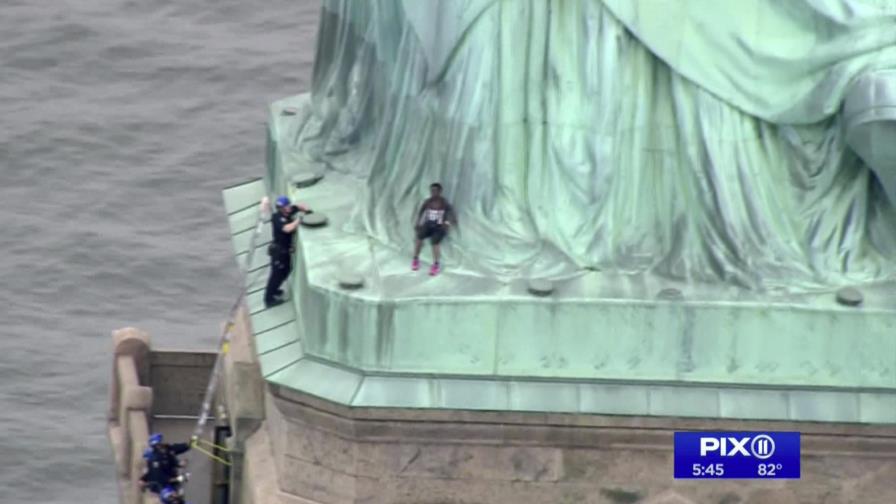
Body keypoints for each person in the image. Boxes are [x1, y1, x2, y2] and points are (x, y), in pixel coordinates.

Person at [265, 195, 312, 308]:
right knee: (276, 276)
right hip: (279, 253)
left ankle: (275, 290)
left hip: (286, 251)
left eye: (288, 205)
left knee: (287, 270)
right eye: (286, 207)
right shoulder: (277, 218)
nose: (289, 208)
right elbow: (287, 228)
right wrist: (298, 221)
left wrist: (307, 210)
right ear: (280, 209)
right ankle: (269, 299)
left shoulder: (289, 211)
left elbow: (299, 206)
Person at [412, 183, 456, 276]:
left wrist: (447, 223)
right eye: (432, 191)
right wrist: (418, 223)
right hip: (428, 224)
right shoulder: (427, 202)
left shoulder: (444, 202)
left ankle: (436, 264)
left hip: (439, 227)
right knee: (419, 236)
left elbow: (451, 213)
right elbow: (421, 211)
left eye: (436, 190)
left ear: (440, 191)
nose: (433, 192)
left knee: (435, 242)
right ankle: (415, 259)